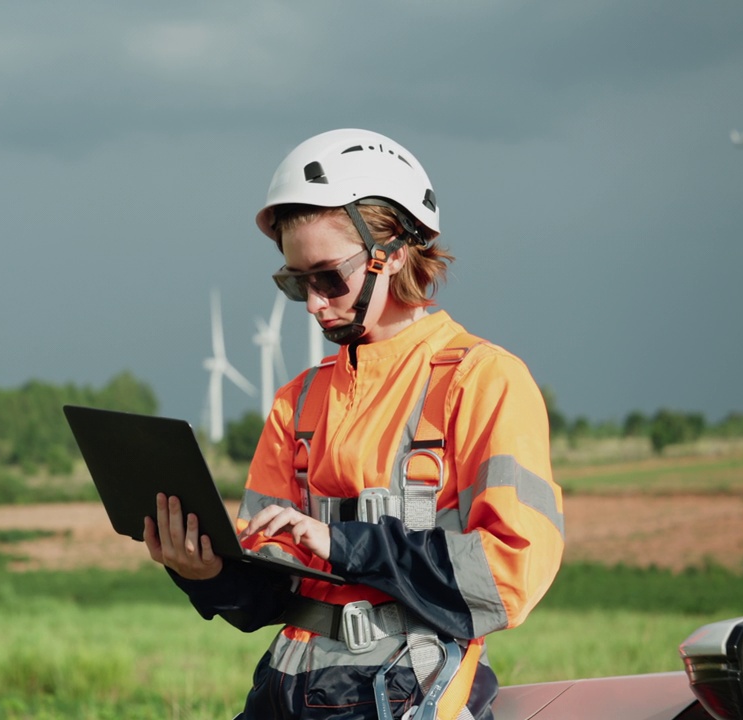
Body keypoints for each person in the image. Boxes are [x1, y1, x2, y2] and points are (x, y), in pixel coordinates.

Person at [143, 128, 564, 720]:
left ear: (392, 251)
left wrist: (343, 545)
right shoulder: (299, 400)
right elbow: (269, 594)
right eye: (295, 283)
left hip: (407, 694)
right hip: (286, 694)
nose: (314, 303)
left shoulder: (483, 381)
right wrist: (207, 574)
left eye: (327, 277)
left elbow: (509, 577)